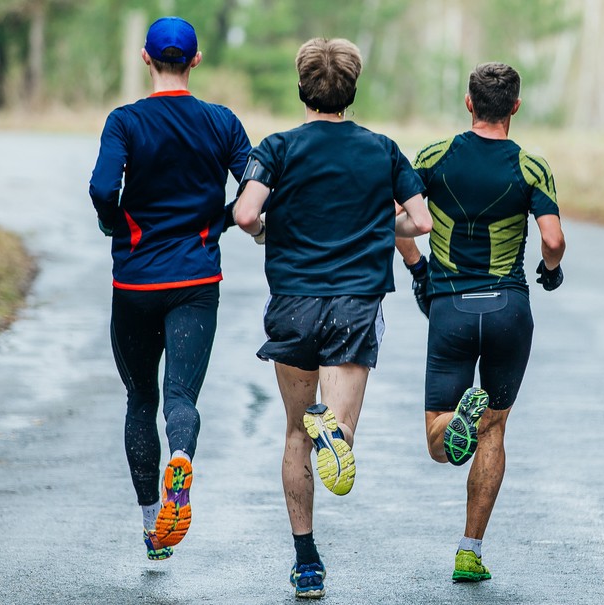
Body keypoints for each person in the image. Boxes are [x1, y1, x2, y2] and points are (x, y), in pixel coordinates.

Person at [233, 38, 432, 598]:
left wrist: (269, 231)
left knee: (295, 431)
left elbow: (247, 213)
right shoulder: (383, 149)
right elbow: (422, 224)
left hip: (294, 303)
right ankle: (334, 430)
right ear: (352, 89)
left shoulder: (277, 147)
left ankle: (306, 562)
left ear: (303, 88)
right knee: (337, 433)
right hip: (354, 303)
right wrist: (375, 225)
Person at [88, 16, 251, 561]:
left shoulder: (125, 121)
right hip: (196, 282)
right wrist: (222, 220)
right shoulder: (222, 121)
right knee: (181, 397)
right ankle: (182, 456)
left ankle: (149, 527)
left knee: (140, 398)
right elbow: (257, 182)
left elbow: (101, 186)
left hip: (134, 281)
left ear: (145, 58)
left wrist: (116, 224)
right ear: (196, 61)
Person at [397, 61, 565, 582]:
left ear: (469, 103)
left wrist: (417, 266)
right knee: (495, 427)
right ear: (515, 106)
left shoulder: (431, 157)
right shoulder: (531, 167)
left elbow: (391, 217)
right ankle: (469, 551)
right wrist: (551, 272)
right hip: (508, 307)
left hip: (451, 306)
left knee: (437, 439)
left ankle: (455, 421)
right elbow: (554, 241)